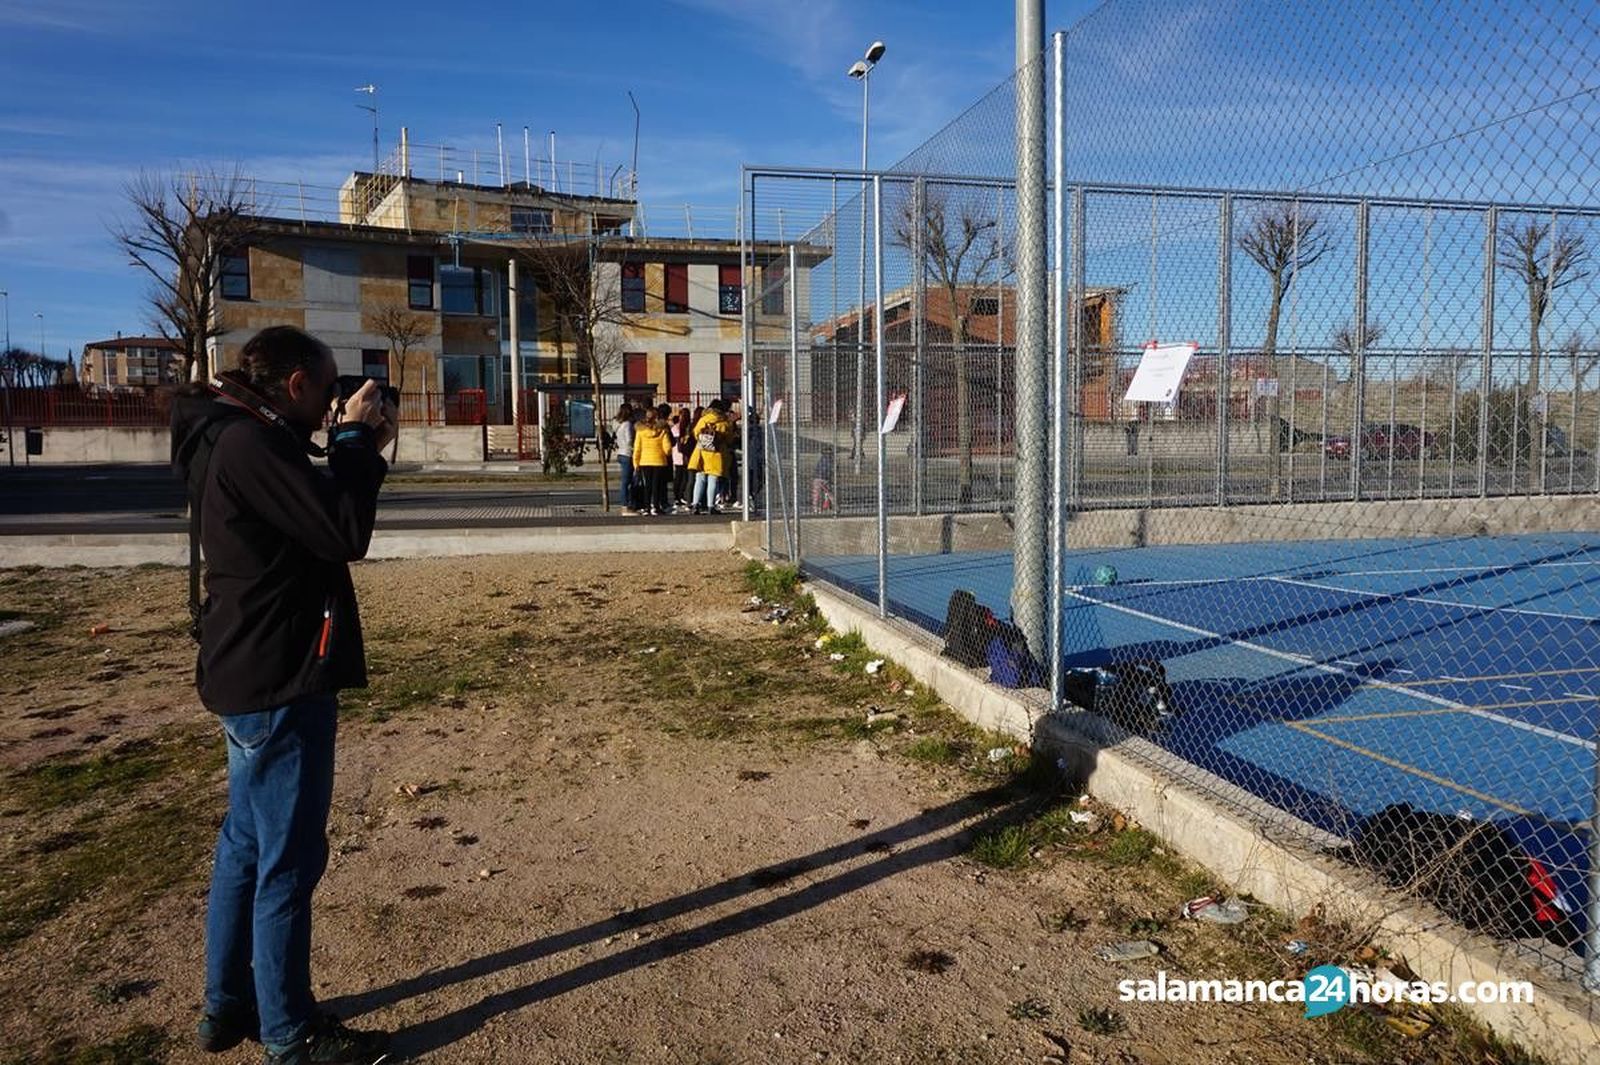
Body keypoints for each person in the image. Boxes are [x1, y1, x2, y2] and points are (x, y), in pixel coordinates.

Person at [170, 326, 394, 1065]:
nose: (332, 404)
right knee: (286, 862)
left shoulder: (231, 434)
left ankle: (228, 1004)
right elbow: (342, 529)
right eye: (327, 390)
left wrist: (352, 446)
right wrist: (355, 443)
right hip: (280, 677)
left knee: (245, 845)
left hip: (251, 669)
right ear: (295, 384)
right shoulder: (252, 445)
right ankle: (289, 1034)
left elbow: (307, 519)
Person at [687, 399, 732, 514]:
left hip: (701, 452)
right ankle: (711, 506)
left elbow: (696, 433)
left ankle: (695, 504)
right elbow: (729, 438)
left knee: (700, 478)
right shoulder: (723, 422)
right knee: (713, 479)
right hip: (716, 453)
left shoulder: (703, 419)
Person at [633, 406, 673, 515]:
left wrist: (636, 463)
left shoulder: (640, 431)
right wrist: (668, 453)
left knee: (647, 485)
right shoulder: (662, 430)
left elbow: (637, 448)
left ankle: (647, 507)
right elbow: (667, 448)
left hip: (644, 461)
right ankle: (656, 506)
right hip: (659, 460)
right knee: (657, 485)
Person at [612, 402, 636, 513]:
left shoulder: (616, 424)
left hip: (620, 452)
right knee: (627, 482)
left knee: (626, 481)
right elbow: (629, 440)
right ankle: (625, 505)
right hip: (628, 453)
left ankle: (628, 503)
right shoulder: (627, 424)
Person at [669, 406, 693, 511]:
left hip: (678, 454)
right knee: (683, 476)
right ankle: (680, 496)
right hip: (684, 454)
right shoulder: (687, 428)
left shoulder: (676, 427)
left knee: (679, 476)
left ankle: (678, 496)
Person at [812, 444, 836, 512]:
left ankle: (818, 507)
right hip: (822, 479)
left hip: (819, 478)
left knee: (819, 494)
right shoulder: (828, 461)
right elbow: (828, 470)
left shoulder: (822, 460)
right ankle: (833, 506)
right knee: (827, 493)